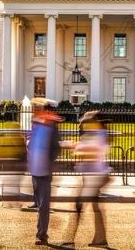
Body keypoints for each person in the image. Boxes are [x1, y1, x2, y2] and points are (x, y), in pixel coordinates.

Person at [62, 111, 111, 249]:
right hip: (92, 176)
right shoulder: (97, 133)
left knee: (78, 206)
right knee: (95, 207)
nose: (85, 124)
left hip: (94, 177)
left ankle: (70, 240)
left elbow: (94, 151)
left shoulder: (100, 135)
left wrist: (76, 147)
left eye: (88, 121)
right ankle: (101, 239)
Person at [27, 98, 62, 246]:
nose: (35, 112)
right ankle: (41, 232)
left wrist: (49, 162)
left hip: (44, 171)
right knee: (40, 203)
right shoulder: (36, 125)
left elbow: (56, 148)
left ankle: (42, 235)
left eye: (38, 109)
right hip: (34, 170)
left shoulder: (52, 128)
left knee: (44, 205)